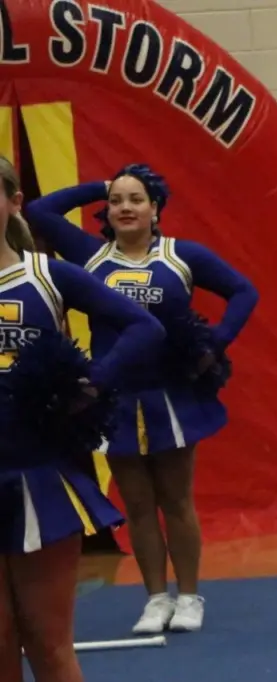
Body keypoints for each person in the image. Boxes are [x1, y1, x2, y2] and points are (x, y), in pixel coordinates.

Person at [23, 166, 259, 635]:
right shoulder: (90, 255)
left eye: (136, 199)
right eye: (116, 201)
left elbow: (243, 290)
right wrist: (102, 184)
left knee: (176, 499)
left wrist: (216, 343)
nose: (125, 208)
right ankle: (155, 598)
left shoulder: (181, 256)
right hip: (115, 397)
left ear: (156, 208)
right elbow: (39, 211)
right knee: (136, 503)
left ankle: (189, 595)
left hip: (169, 396)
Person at [0, 156, 165, 682]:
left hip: (38, 476)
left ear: (14, 202)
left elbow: (143, 326)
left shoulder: (47, 275)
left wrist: (90, 385)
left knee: (48, 645)